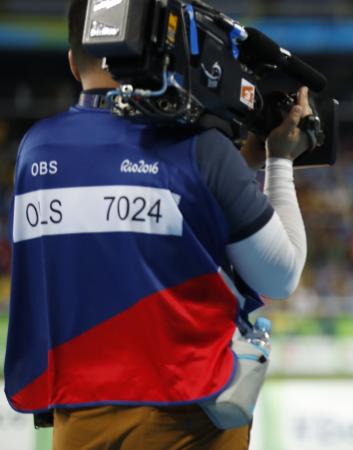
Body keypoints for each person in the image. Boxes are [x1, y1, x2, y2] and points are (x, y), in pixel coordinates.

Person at [4, 0, 309, 448]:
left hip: (75, 418)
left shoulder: (35, 149)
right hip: (188, 412)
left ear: (73, 62)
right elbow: (280, 275)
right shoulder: (198, 146)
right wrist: (280, 158)